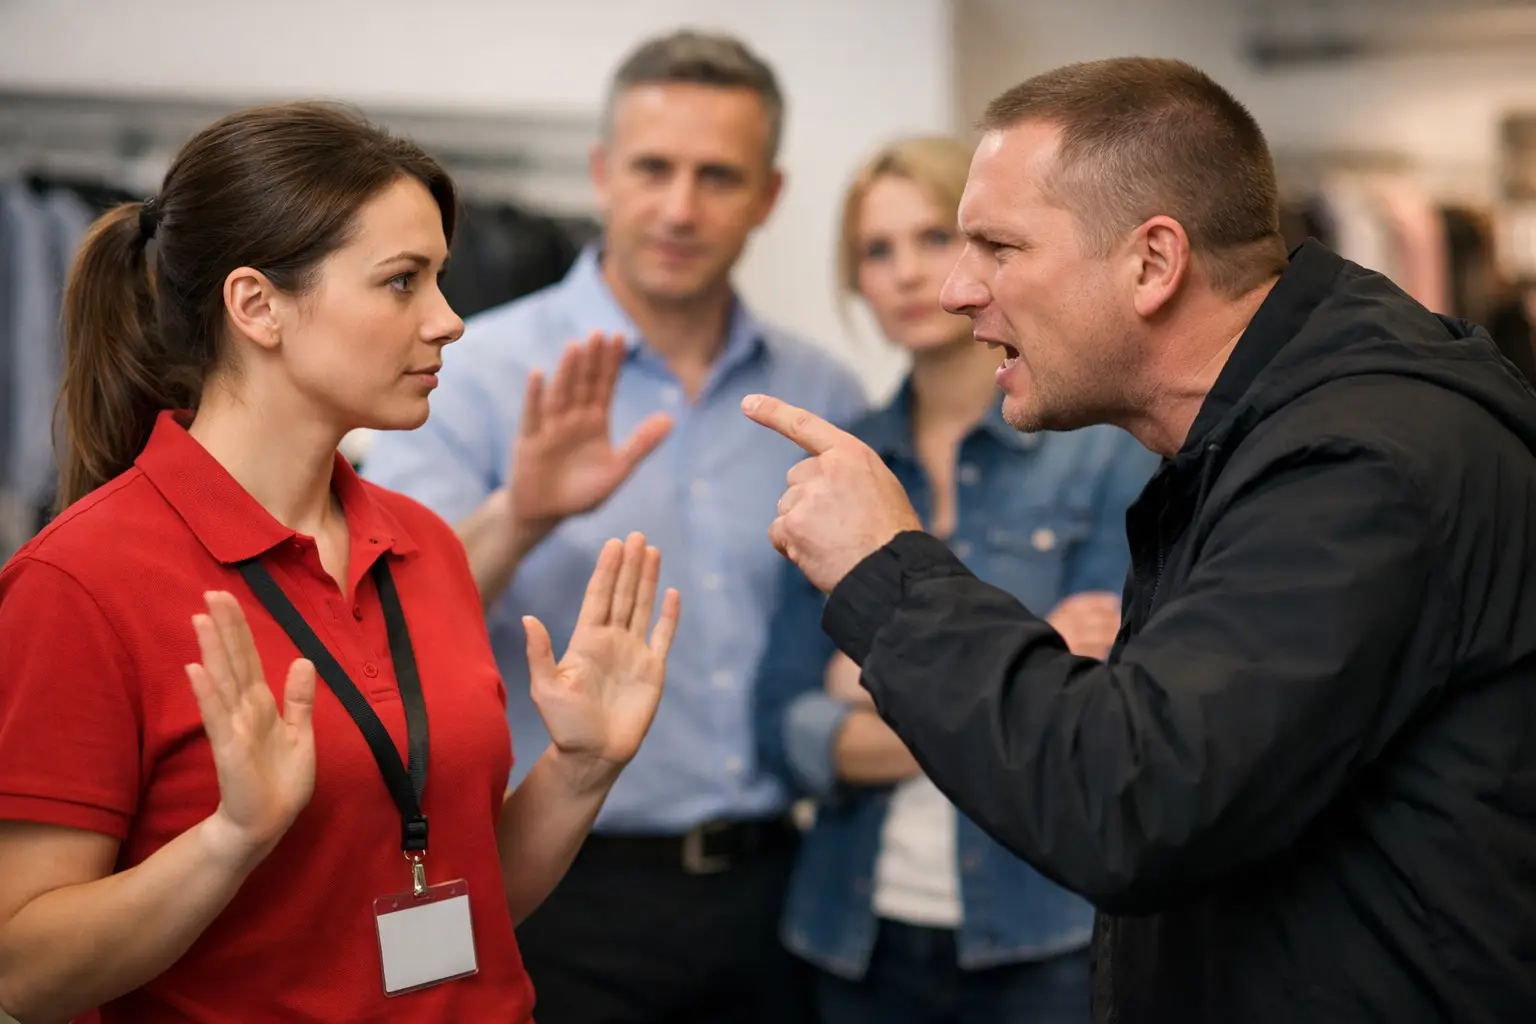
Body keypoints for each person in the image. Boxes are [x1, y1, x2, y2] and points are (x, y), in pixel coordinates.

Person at [741, 57, 1536, 1024]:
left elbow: (1131, 800)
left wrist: (886, 567)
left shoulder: (1354, 465)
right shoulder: (1265, 441)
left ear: (1153, 263)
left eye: (997, 246)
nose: (955, 290)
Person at [0, 101, 681, 1024]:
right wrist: (231, 840)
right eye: (403, 282)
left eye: (439, 278)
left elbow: (464, 905)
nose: (449, 321)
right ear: (257, 306)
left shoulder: (425, 544)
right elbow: (25, 976)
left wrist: (582, 768)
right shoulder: (79, 581)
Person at [360, 28, 867, 1023]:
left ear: (769, 196)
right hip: (550, 883)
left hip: (772, 893)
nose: (679, 208)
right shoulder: (465, 371)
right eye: (652, 168)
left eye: (718, 176)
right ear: (600, 174)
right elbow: (380, 622)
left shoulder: (818, 394)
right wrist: (525, 509)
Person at [753, 134, 1157, 1022]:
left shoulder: (1095, 455)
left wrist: (871, 684)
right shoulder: (839, 458)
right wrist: (1026, 663)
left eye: (934, 237)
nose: (906, 272)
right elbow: (785, 725)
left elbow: (1100, 722)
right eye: (875, 250)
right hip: (855, 930)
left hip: (1043, 933)